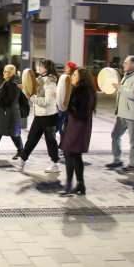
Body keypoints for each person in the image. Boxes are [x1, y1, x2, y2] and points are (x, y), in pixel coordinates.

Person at [15, 59, 61, 173]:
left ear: (47, 68)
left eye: (41, 66)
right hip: (39, 116)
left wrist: (31, 97)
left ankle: (55, 163)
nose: (38, 68)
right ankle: (22, 160)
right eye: (39, 66)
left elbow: (47, 102)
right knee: (31, 139)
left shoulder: (51, 82)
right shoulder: (39, 80)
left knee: (51, 141)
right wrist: (25, 90)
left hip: (49, 116)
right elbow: (30, 90)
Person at [59, 67, 96, 196]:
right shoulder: (79, 90)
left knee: (70, 153)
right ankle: (80, 185)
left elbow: (82, 112)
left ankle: (69, 185)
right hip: (74, 125)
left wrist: (69, 106)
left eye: (75, 75)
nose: (72, 77)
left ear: (82, 77)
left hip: (79, 126)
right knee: (74, 155)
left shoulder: (84, 91)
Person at [106, 56, 134, 171]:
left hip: (132, 114)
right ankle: (117, 159)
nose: (123, 65)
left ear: (133, 64)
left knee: (133, 140)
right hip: (122, 113)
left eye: (126, 63)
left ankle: (133, 164)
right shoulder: (126, 75)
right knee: (115, 135)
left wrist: (120, 88)